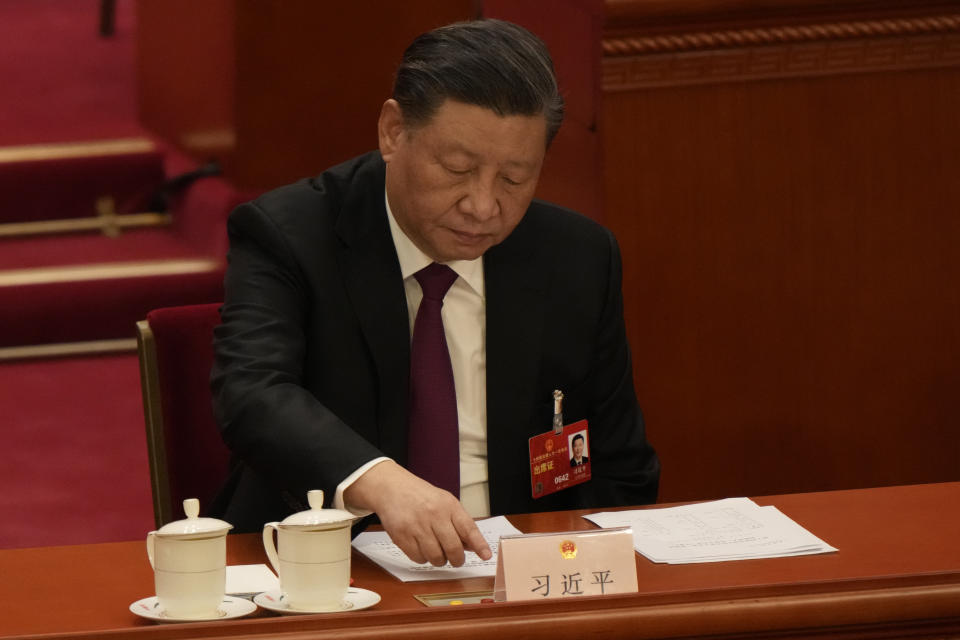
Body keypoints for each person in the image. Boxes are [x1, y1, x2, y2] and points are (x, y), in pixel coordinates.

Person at [210, 18, 659, 569]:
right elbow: (252, 394)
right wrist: (381, 482)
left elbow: (621, 467)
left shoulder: (576, 257)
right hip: (329, 570)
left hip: (523, 576)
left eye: (515, 178)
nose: (483, 205)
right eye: (457, 169)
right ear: (394, 132)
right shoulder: (290, 234)